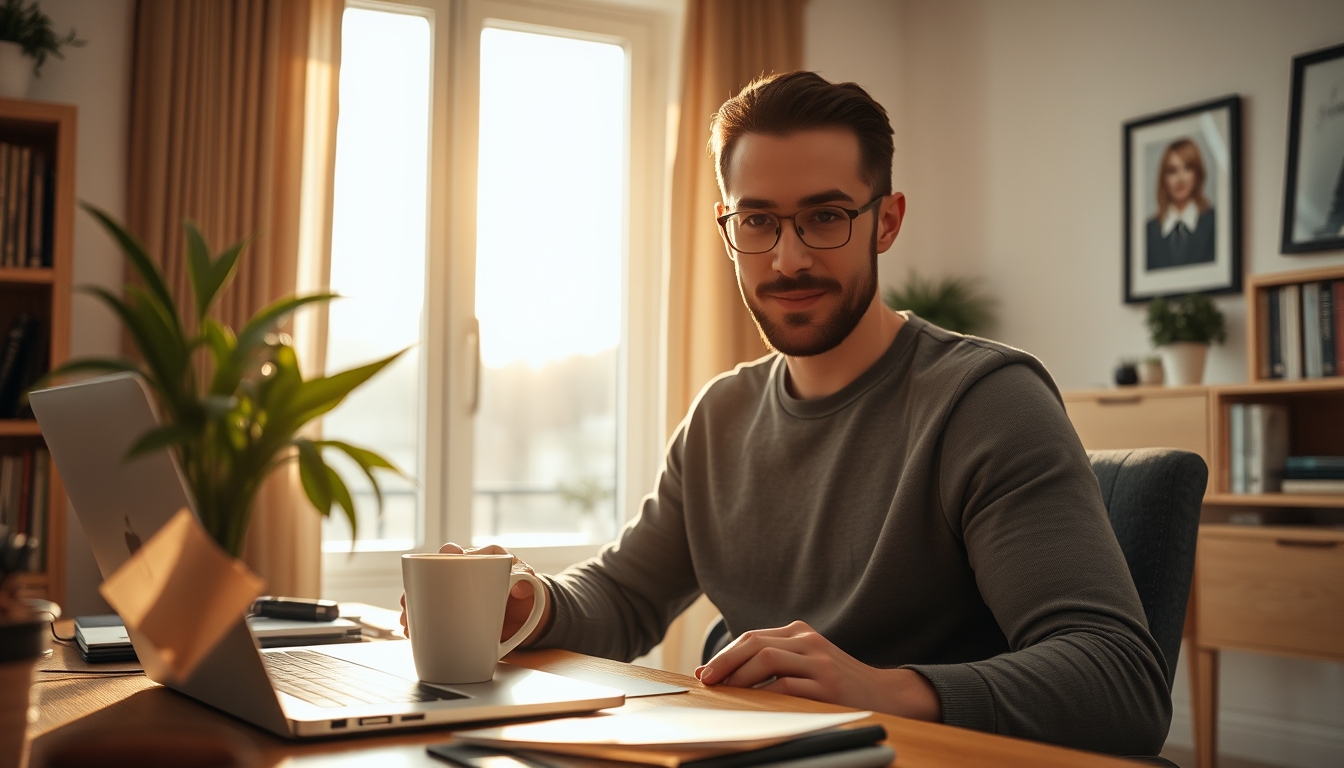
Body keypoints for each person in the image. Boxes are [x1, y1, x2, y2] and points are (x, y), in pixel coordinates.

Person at [403, 72, 1170, 756]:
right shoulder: (722, 414)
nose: (788, 259)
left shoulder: (984, 401)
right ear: (728, 227)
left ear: (887, 220)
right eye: (758, 221)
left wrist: (882, 689)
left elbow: (1119, 681)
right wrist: (531, 602)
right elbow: (628, 596)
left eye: (826, 216)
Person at [1146, 138, 1216, 270]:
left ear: (1198, 174)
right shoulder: (1149, 231)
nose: (1180, 179)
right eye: (1172, 171)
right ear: (1164, 179)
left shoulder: (1214, 222)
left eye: (1187, 168)